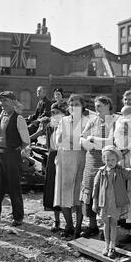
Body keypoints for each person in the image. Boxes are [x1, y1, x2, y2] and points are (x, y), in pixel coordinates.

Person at [0, 91, 30, 226]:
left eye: (5, 101)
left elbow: (26, 140)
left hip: (13, 156)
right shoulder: (2, 116)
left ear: (13, 102)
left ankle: (18, 217)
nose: (2, 104)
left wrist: (22, 154)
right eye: (1, 101)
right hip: (0, 155)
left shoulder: (19, 119)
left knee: (14, 187)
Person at [92, 145, 131, 259]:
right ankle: (106, 245)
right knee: (106, 224)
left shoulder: (121, 171)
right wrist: (94, 202)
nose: (110, 162)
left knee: (114, 224)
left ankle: (112, 246)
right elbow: (95, 188)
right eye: (108, 160)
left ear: (117, 160)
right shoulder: (101, 172)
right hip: (104, 203)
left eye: (113, 160)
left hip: (115, 203)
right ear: (103, 160)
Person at [80, 96, 117, 238]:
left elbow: (111, 141)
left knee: (106, 193)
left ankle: (105, 228)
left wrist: (93, 140)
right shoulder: (92, 120)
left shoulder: (114, 121)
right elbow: (83, 138)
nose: (97, 108)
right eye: (96, 105)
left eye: (100, 105)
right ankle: (92, 225)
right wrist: (91, 142)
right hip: (91, 160)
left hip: (107, 161)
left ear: (108, 105)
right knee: (90, 190)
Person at [54, 94, 89, 240]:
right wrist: (76, 140)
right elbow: (58, 140)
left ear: (82, 106)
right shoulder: (63, 120)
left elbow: (86, 142)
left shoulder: (88, 121)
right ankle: (69, 225)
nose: (74, 106)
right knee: (63, 193)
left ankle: (79, 226)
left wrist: (73, 140)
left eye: (77, 104)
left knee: (78, 194)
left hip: (81, 160)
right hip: (64, 160)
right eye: (72, 104)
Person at [43, 102, 67, 232]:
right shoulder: (49, 126)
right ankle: (56, 220)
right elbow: (50, 146)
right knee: (53, 188)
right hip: (53, 158)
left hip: (67, 158)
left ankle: (70, 222)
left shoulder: (70, 125)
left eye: (57, 112)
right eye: (53, 113)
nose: (55, 115)